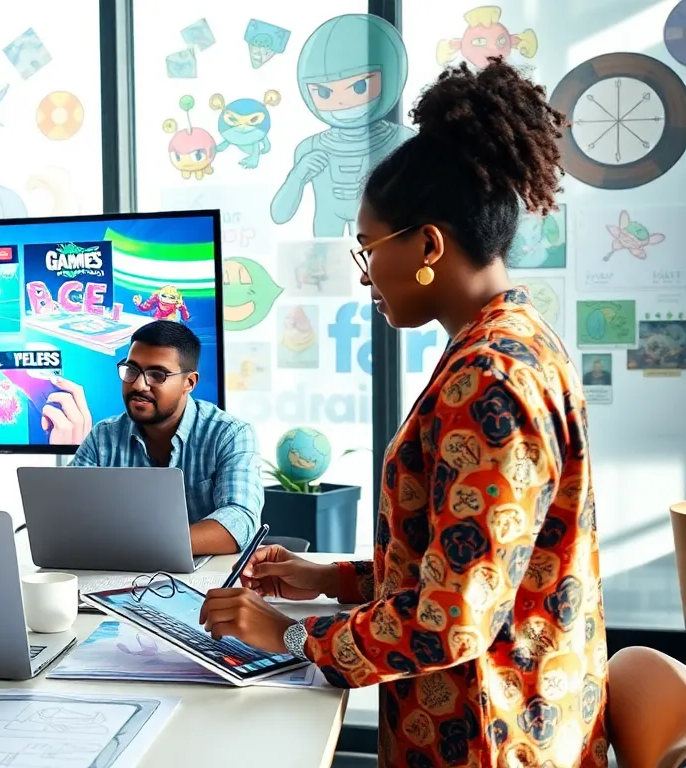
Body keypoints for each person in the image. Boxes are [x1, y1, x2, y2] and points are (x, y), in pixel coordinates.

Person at [199, 59, 609, 765]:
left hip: (488, 736)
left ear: (427, 245)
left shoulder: (490, 381)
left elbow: (452, 622)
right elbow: (465, 556)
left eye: (368, 248)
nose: (366, 277)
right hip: (501, 715)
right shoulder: (509, 342)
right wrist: (331, 579)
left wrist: (285, 634)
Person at [66, 320, 262, 555]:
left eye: (157, 375)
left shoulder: (230, 434)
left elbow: (240, 521)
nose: (138, 384)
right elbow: (68, 512)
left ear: (189, 383)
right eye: (132, 370)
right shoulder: (103, 436)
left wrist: (142, 545)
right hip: (119, 573)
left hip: (205, 577)